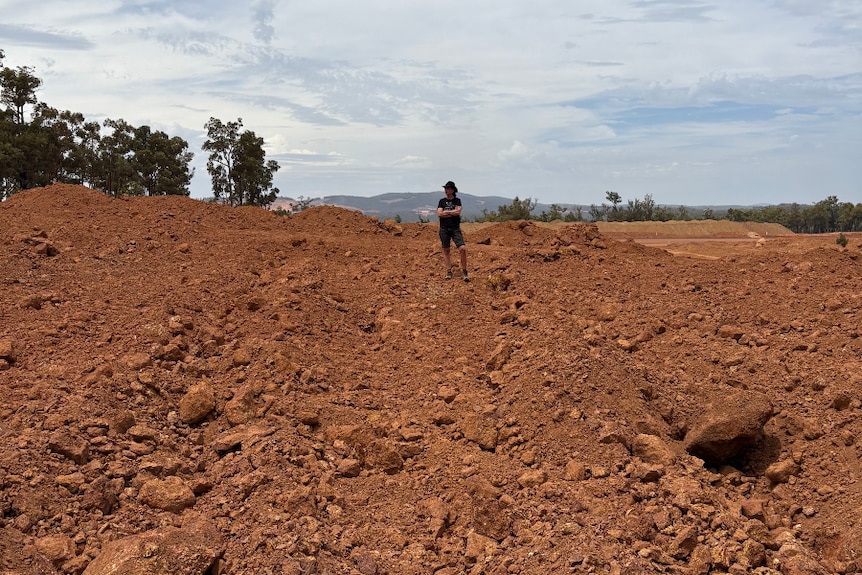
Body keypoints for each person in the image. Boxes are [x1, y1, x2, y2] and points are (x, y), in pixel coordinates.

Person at [437, 181, 469, 281]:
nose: (446, 190)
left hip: (455, 228)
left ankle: (464, 271)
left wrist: (446, 212)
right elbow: (439, 214)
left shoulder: (457, 201)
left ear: (453, 190)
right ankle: (449, 271)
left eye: (448, 188)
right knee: (446, 250)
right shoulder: (441, 201)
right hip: (444, 229)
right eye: (445, 188)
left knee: (462, 249)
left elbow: (458, 212)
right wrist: (452, 212)